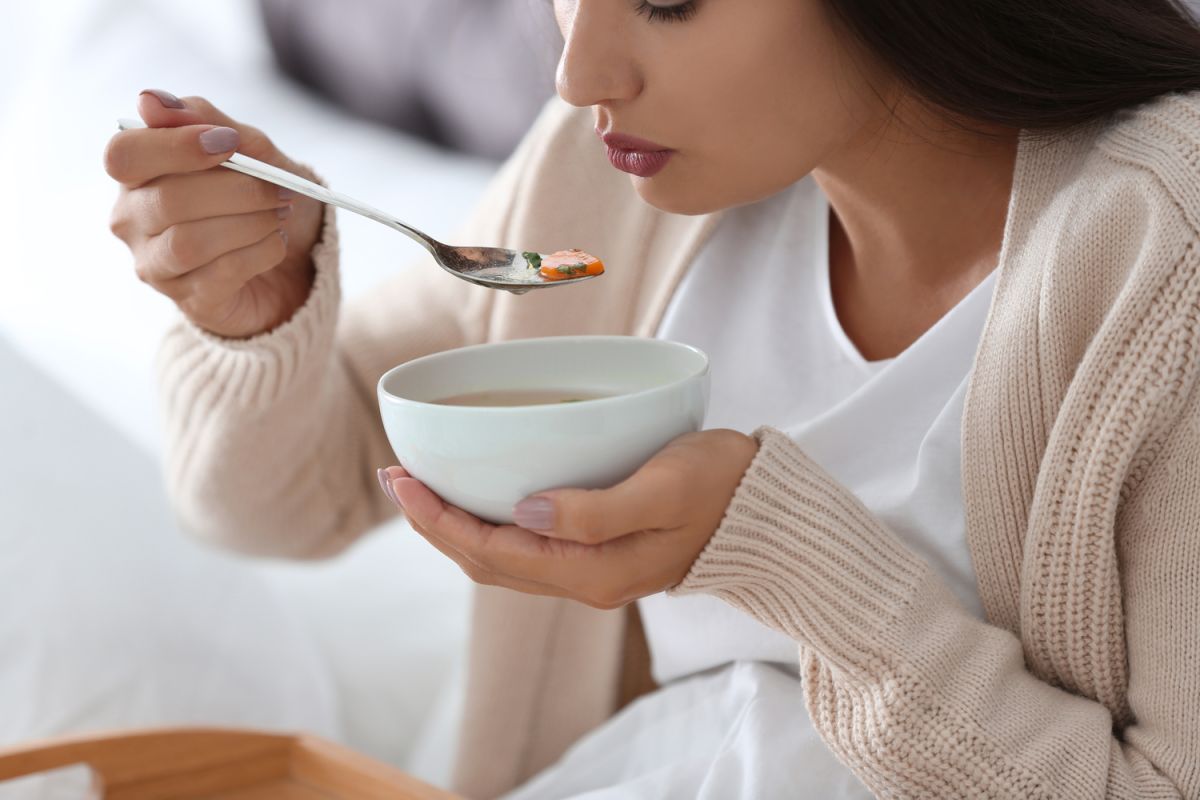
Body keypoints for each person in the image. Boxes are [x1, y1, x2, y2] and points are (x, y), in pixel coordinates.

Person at [104, 0, 1200, 797]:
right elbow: (272, 501)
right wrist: (257, 310)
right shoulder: (614, 182)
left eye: (667, 2)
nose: (579, 74)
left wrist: (781, 553)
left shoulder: (1165, 262)